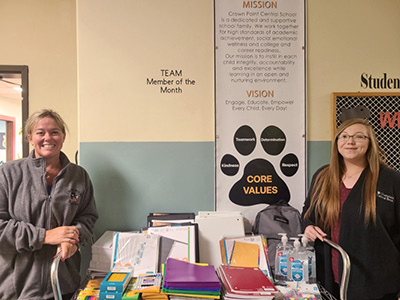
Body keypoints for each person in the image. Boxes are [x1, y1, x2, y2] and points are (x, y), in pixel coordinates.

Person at [0, 109, 98, 300]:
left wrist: (72, 238)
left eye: (54, 132)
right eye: (40, 132)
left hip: (63, 284)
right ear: (30, 137)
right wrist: (45, 236)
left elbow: (88, 218)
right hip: (17, 289)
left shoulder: (79, 176)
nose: (48, 138)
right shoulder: (8, 174)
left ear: (63, 136)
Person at [302, 118, 400, 300]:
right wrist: (308, 227)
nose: (350, 141)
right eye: (344, 136)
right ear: (337, 142)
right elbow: (308, 212)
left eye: (359, 136)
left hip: (377, 286)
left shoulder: (392, 180)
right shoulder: (323, 176)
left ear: (370, 143)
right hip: (331, 281)